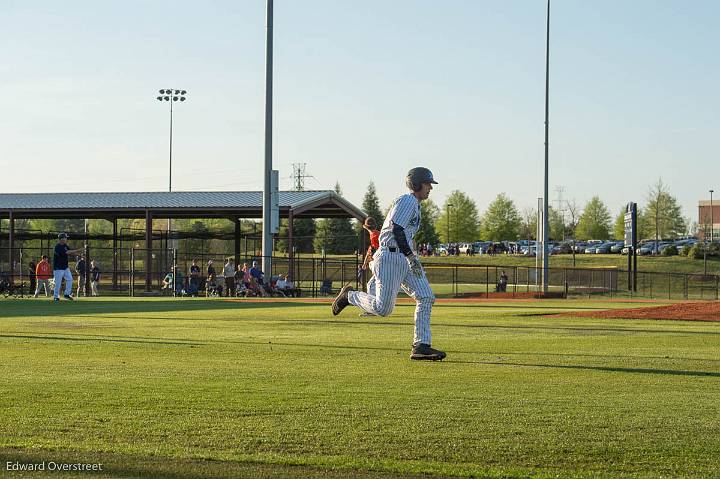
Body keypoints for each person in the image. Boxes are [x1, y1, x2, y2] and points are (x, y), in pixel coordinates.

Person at [331, 167, 445, 361]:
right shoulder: (408, 200)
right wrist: (409, 255)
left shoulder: (415, 204)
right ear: (416, 184)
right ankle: (350, 296)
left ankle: (421, 345)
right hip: (391, 256)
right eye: (427, 184)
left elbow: (404, 233)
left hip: (403, 257)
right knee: (384, 309)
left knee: (426, 297)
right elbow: (396, 229)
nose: (430, 188)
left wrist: (411, 256)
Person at [52, 233, 83, 301]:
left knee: (70, 279)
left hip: (65, 267)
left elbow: (70, 252)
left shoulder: (65, 245)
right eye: (65, 238)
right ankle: (56, 296)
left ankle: (66, 294)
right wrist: (77, 250)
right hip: (58, 268)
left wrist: (79, 254)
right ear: (61, 239)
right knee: (58, 283)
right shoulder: (57, 247)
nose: (66, 239)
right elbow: (67, 252)